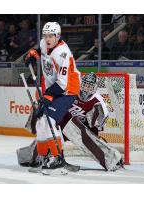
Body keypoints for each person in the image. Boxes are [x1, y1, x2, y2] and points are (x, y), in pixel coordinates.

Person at [17, 73, 123, 171]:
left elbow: (98, 124)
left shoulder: (98, 101)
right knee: (49, 131)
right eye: (85, 85)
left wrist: (96, 118)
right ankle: (34, 158)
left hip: (81, 128)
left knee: (91, 139)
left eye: (89, 86)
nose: (86, 88)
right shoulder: (72, 91)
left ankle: (111, 158)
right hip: (63, 122)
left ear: (94, 88)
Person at [24, 22, 81, 170]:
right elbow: (39, 50)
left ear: (57, 36)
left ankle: (57, 158)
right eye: (46, 35)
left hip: (68, 90)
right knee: (41, 122)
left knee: (49, 119)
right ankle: (43, 157)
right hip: (52, 88)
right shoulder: (44, 43)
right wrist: (32, 55)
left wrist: (48, 96)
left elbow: (63, 84)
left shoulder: (63, 53)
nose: (47, 39)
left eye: (51, 36)